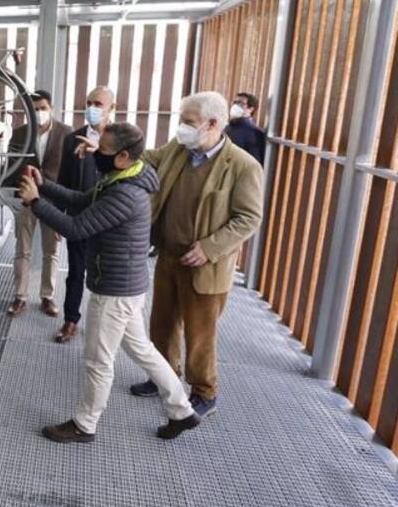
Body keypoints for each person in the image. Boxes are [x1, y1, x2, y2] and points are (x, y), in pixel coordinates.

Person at [19, 122, 199, 443]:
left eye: (101, 150)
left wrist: (35, 203)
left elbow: (76, 228)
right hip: (127, 287)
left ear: (123, 156)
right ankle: (182, 410)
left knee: (97, 361)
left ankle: (85, 424)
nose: (93, 154)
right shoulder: (123, 177)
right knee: (143, 350)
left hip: (115, 292)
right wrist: (44, 186)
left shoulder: (125, 194)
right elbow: (81, 200)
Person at [129, 92, 264, 417]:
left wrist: (209, 247)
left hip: (206, 265)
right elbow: (146, 158)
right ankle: (164, 376)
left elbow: (248, 218)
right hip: (169, 254)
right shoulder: (179, 149)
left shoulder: (243, 166)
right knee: (162, 323)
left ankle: (205, 392)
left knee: (200, 333)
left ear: (213, 124)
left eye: (189, 122)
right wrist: (112, 151)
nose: (182, 128)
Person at [54, 86, 114, 343]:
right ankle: (70, 320)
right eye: (89, 103)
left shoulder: (119, 140)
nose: (92, 108)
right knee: (76, 272)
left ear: (111, 108)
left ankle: (104, 327)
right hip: (79, 219)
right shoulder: (73, 139)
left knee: (106, 277)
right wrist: (58, 217)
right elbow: (63, 180)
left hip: (109, 222)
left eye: (98, 104)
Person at [5, 90, 71, 318]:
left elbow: (70, 174)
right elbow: (10, 167)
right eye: (34, 109)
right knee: (22, 249)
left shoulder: (66, 133)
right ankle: (20, 296)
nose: (39, 112)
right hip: (25, 199)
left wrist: (66, 209)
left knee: (51, 251)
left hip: (53, 201)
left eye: (43, 108)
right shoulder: (19, 134)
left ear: (51, 108)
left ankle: (47, 296)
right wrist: (12, 199)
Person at [225, 92, 267, 165]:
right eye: (234, 102)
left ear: (251, 109)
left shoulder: (255, 133)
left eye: (240, 103)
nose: (235, 106)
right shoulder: (226, 127)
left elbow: (255, 162)